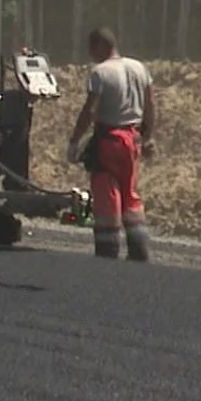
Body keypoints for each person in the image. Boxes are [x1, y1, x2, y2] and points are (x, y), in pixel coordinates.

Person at [66, 26, 156, 262]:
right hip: (133, 139)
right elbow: (150, 106)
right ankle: (139, 251)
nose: (90, 54)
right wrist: (146, 137)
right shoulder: (139, 68)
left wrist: (75, 141)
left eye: (91, 49)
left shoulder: (100, 72)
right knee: (130, 195)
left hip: (109, 140)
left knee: (107, 193)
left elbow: (90, 110)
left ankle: (108, 253)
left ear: (100, 46)